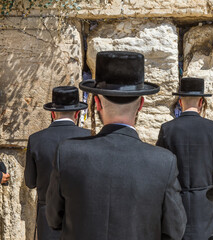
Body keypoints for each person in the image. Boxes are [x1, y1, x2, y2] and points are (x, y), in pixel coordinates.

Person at [46, 51, 187, 240]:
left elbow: (53, 219)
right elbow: (175, 230)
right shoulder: (164, 162)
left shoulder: (67, 153)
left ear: (97, 103)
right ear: (141, 104)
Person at [156, 77, 213, 240]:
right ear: (201, 102)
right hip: (205, 205)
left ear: (180, 101)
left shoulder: (167, 129)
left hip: (174, 203)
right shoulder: (212, 128)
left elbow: (158, 169)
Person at [25, 86, 89, 240]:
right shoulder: (90, 137)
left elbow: (30, 182)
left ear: (52, 114)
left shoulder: (35, 140)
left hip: (47, 215)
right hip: (80, 215)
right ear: (77, 113)